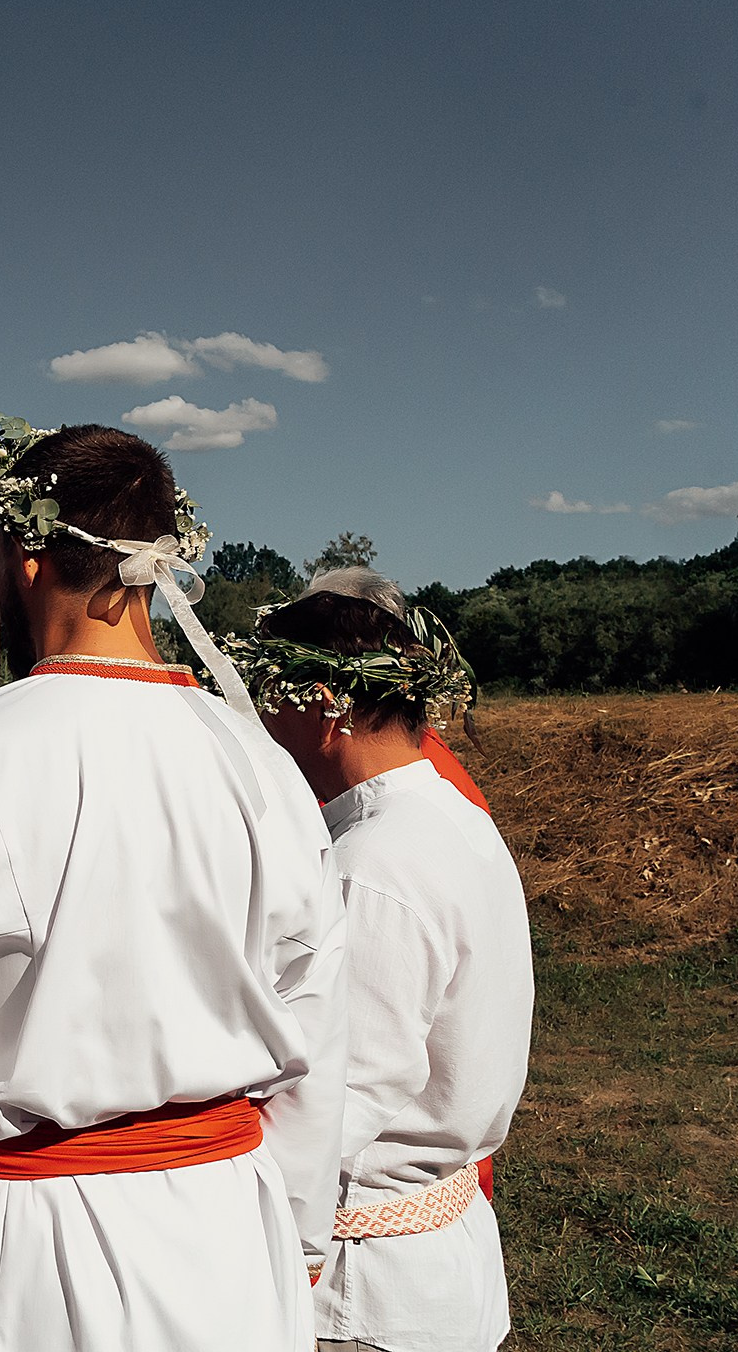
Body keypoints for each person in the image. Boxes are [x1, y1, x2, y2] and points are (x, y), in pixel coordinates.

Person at [0, 417, 346, 1352]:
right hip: (229, 1239)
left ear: (26, 555)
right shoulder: (261, 763)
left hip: (21, 1254)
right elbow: (316, 1025)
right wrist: (301, 1236)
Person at [237, 568, 533, 1352]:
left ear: (324, 702)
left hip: (365, 1285)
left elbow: (337, 1100)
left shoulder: (375, 864)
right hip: (440, 1254)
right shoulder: (454, 818)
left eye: (271, 689)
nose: (262, 716)